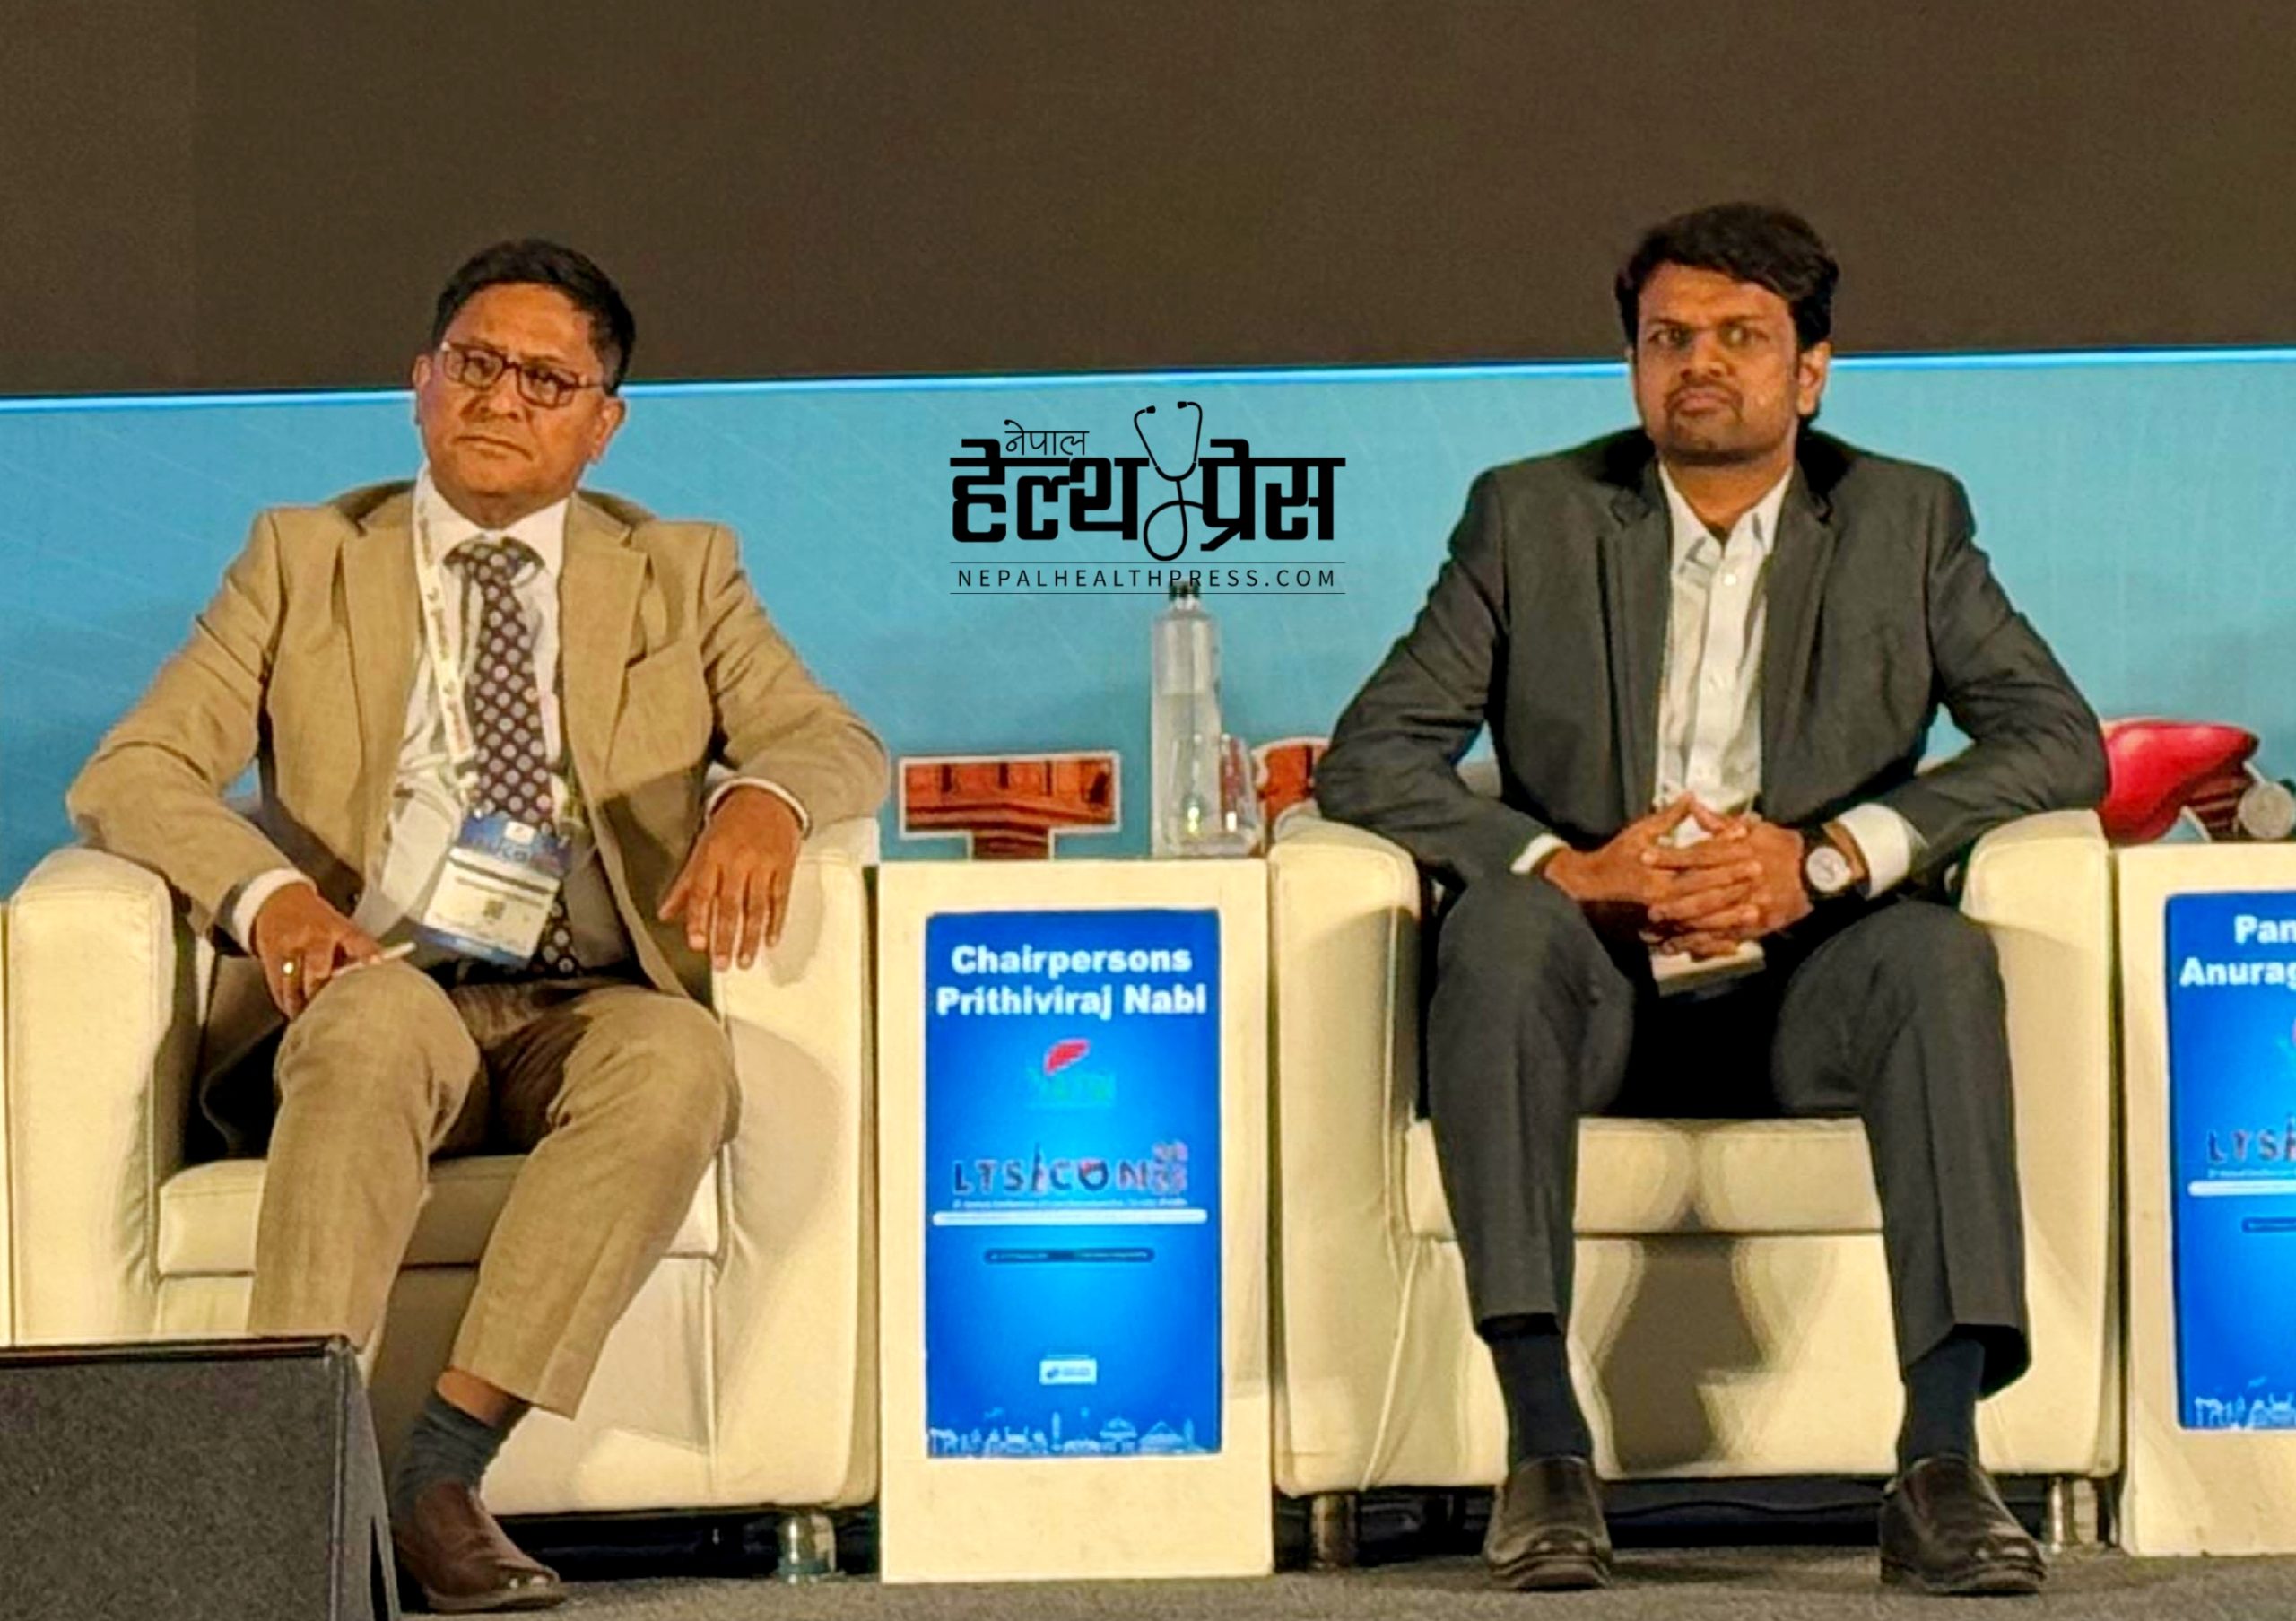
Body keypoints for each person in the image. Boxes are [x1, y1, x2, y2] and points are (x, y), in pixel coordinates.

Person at [68, 239, 888, 1612]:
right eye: (476, 365)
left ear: (602, 422)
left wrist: (770, 801)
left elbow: (834, 738)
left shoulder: (678, 572)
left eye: (546, 380)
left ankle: (440, 1478)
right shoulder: (304, 559)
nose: (503, 398)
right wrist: (273, 898)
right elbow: (133, 771)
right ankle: (290, 1490)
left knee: (679, 1061)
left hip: (586, 1000)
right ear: (421, 383)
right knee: (374, 1029)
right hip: (381, 974)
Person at [1314, 204, 2105, 1597]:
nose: (1701, 364)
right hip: (1594, 988)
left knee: (1935, 959)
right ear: (1633, 364)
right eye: (1669, 338)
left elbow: (2057, 738)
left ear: (1812, 371)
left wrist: (1824, 859)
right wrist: (1569, 871)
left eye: (1742, 337)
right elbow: (1372, 755)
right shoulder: (1531, 515)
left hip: (1814, 986)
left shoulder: (1906, 519)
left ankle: (1940, 1463)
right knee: (1499, 925)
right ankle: (1545, 1453)